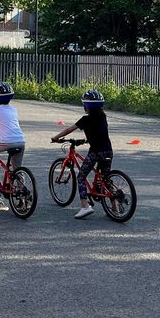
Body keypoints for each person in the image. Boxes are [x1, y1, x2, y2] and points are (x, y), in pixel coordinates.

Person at [52, 88, 113, 220]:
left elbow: (69, 129)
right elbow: (99, 132)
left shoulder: (85, 120)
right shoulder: (103, 116)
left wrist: (55, 138)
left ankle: (85, 206)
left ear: (86, 106)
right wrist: (86, 140)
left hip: (96, 152)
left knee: (81, 176)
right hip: (108, 150)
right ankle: (115, 207)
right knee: (105, 178)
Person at [0, 79, 26, 171]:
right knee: (16, 168)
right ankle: (20, 183)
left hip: (6, 142)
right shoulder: (14, 109)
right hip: (21, 141)